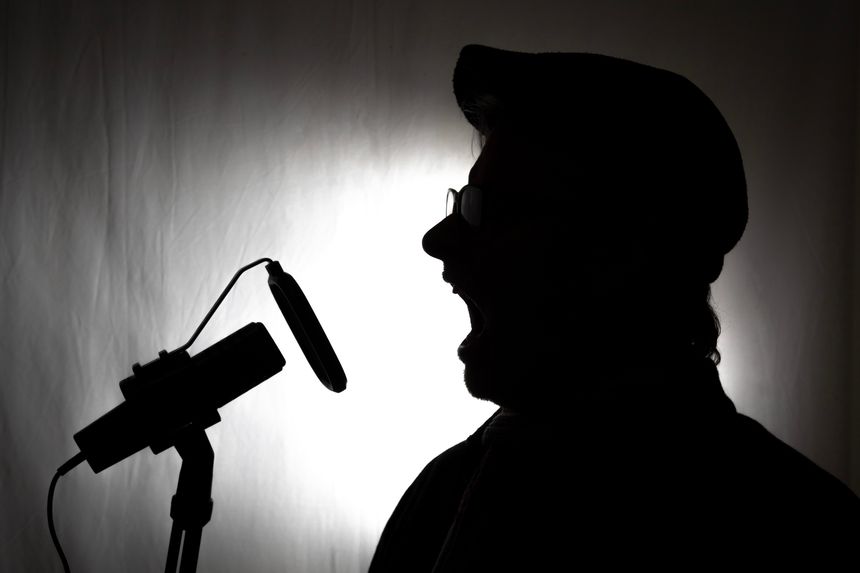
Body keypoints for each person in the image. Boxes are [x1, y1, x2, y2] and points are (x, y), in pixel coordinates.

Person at [369, 45, 859, 571]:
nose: (437, 240)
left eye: (486, 209)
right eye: (461, 202)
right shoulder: (439, 498)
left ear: (623, 250)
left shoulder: (804, 533)